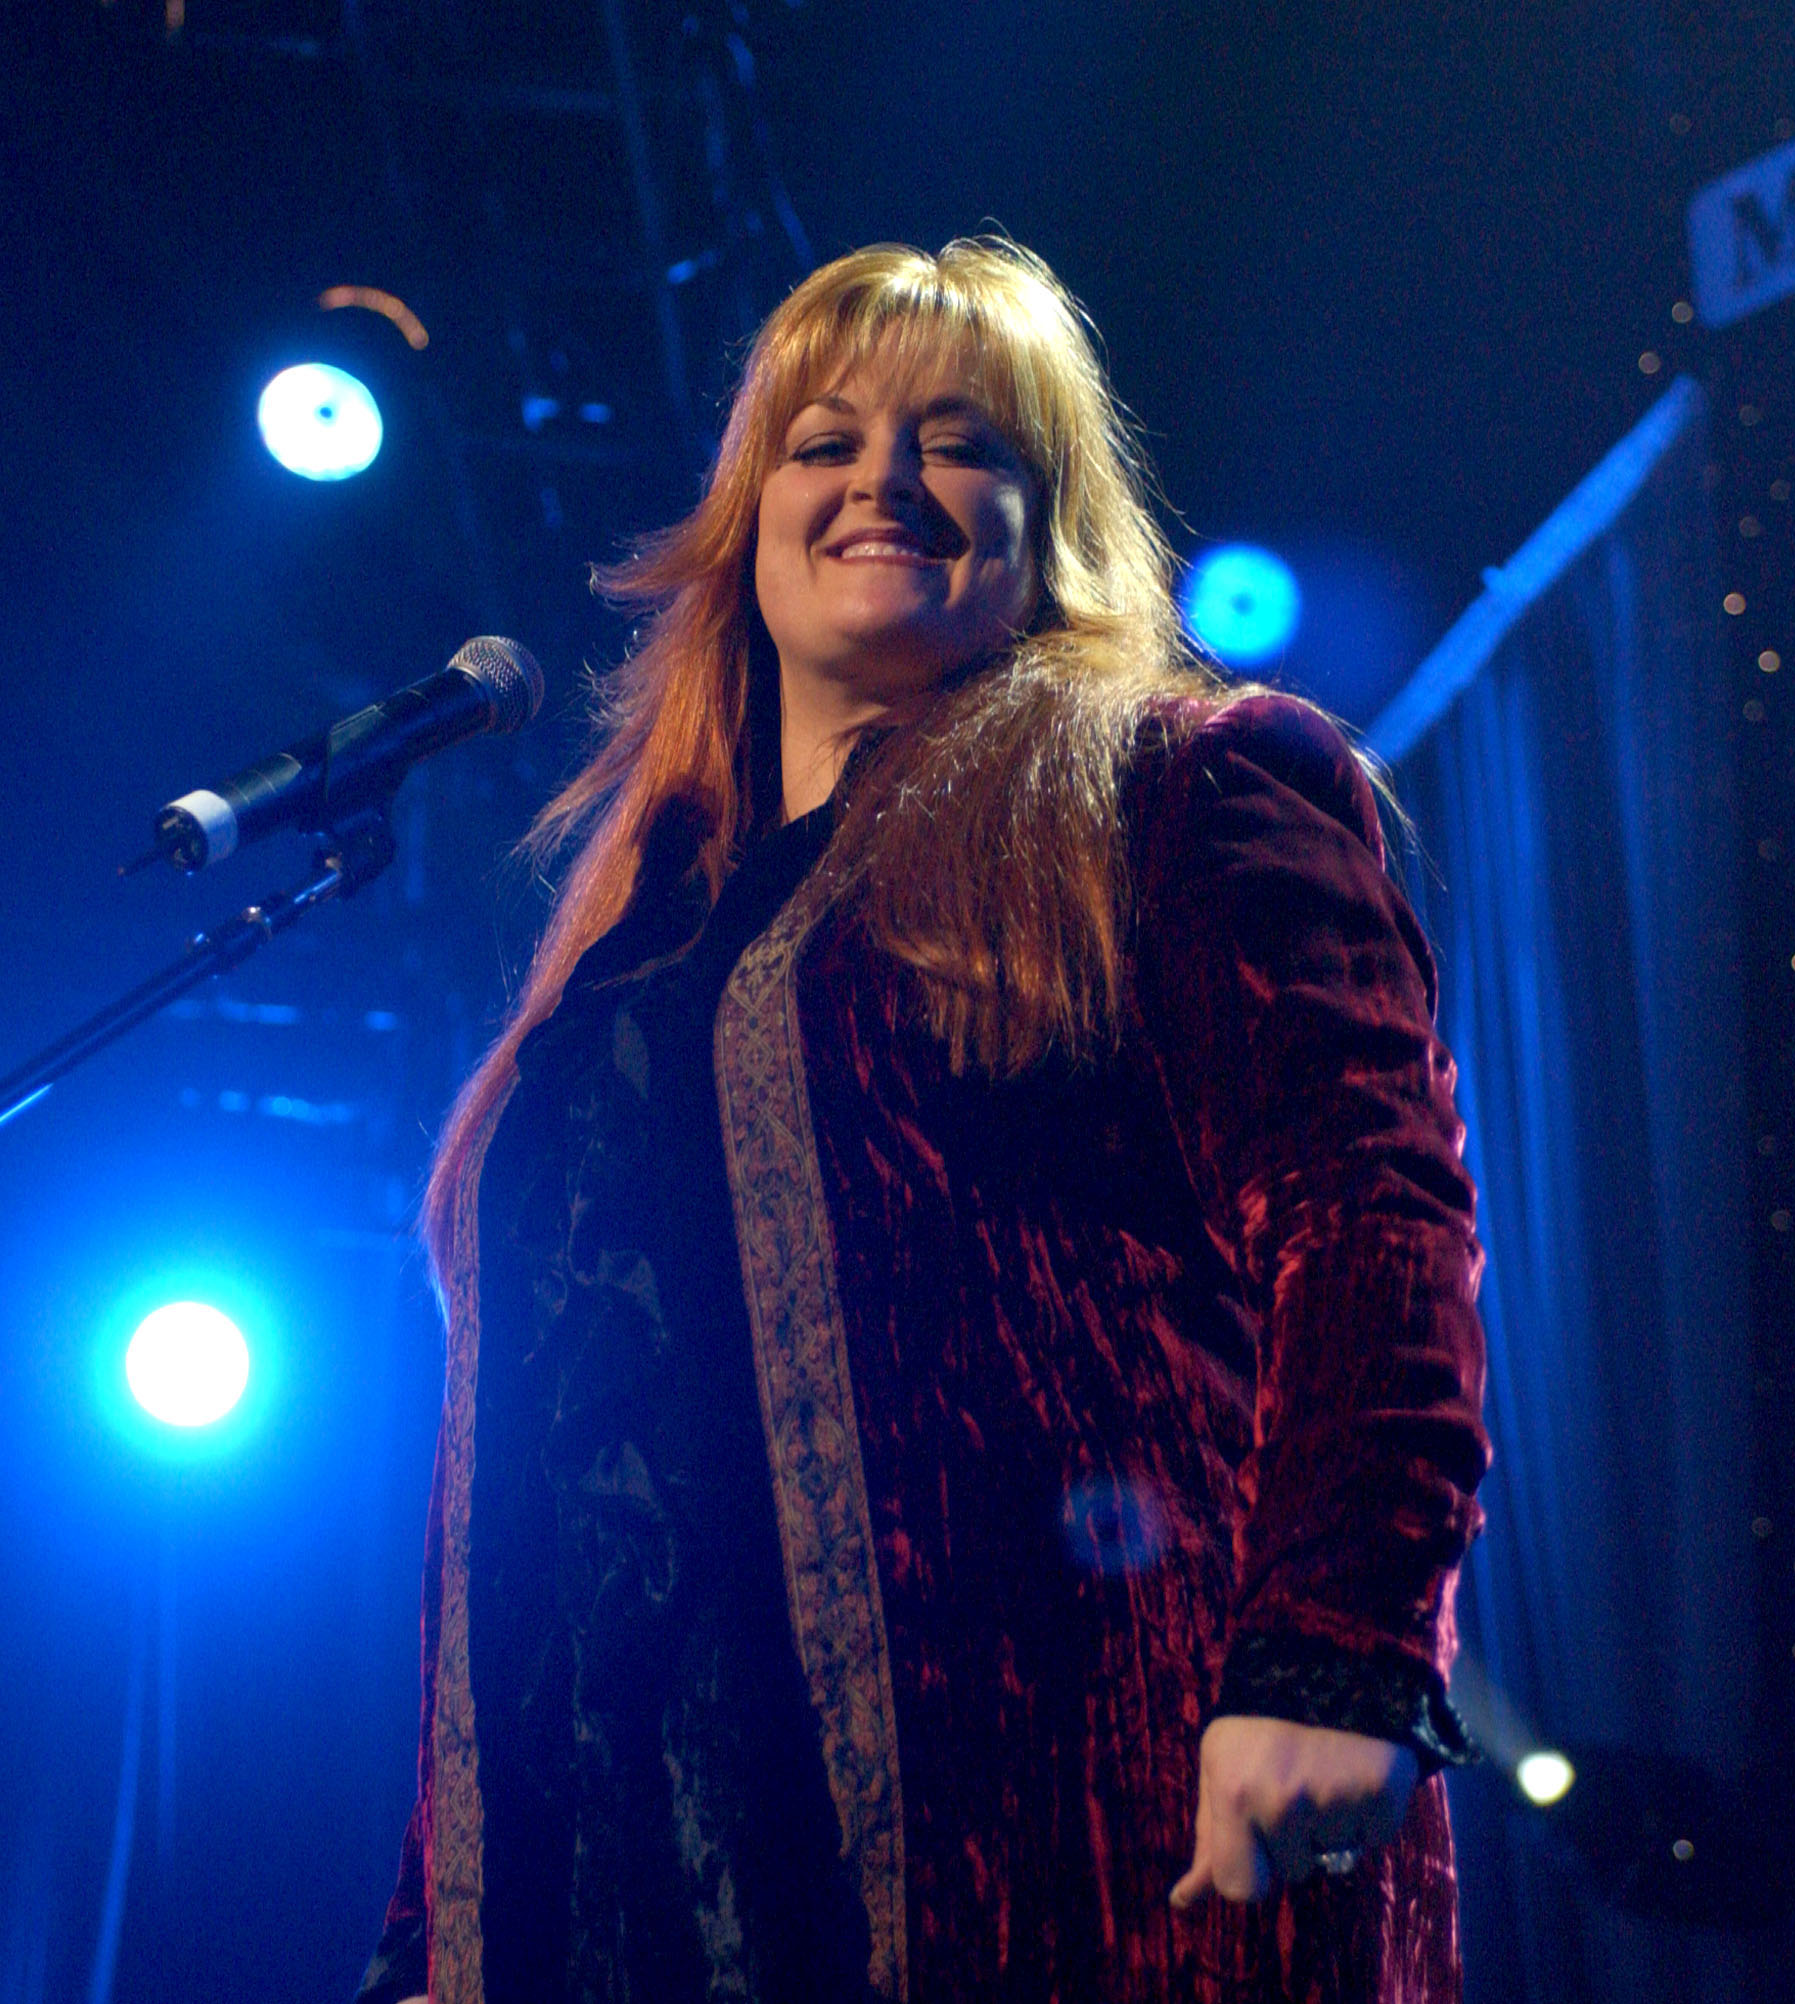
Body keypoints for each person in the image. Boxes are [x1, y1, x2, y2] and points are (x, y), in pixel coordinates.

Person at [357, 237, 1489, 2004]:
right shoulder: (634, 936)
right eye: (824, 440)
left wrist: (1334, 1649)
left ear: (1048, 517)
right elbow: (518, 1479)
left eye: (961, 443)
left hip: (1074, 1801)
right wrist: (438, 1926)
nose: (884, 479)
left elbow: (1372, 1222)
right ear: (745, 518)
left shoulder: (1185, 789)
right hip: (641, 1876)